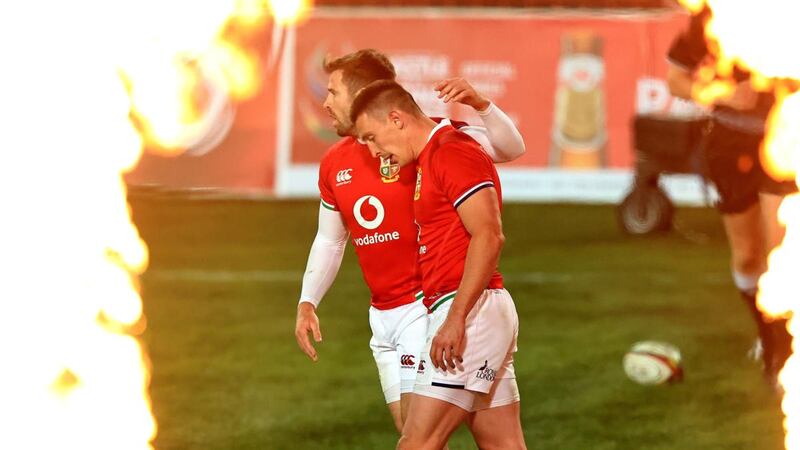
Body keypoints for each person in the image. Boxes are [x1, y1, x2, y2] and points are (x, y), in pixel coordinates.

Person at [293, 49, 526, 435]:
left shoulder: (431, 140)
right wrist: (308, 300)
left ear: (367, 94)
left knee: (417, 439)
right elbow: (330, 239)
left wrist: (481, 105)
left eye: (333, 92)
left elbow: (510, 151)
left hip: (430, 306)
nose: (325, 101)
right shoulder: (337, 162)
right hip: (383, 316)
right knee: (479, 437)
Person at [351, 80, 527, 450]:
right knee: (502, 444)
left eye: (371, 137)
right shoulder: (434, 155)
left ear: (396, 119)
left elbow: (489, 235)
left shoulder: (452, 152)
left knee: (416, 444)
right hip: (476, 311)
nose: (371, 150)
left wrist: (456, 318)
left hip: (469, 314)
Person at [667, 5, 795, 388]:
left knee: (780, 251)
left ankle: (785, 348)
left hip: (787, 140)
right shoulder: (711, 14)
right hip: (729, 143)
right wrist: (717, 91)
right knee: (748, 254)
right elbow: (676, 80)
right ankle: (767, 332)